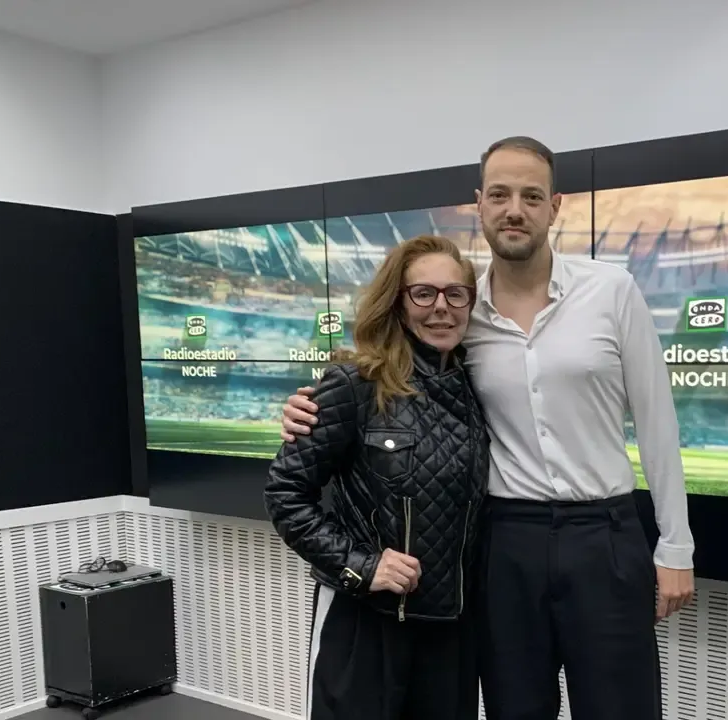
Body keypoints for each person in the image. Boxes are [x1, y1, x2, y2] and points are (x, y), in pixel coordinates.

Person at [280, 136, 695, 720]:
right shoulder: (458, 304)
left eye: (531, 195)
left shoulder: (611, 292)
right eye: (499, 194)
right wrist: (307, 401)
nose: (514, 209)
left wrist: (676, 544)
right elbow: (384, 361)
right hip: (504, 543)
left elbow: (658, 422)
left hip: (604, 535)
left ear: (555, 207)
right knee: (513, 710)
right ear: (480, 205)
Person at [264, 234, 489, 720]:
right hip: (366, 625)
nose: (441, 308)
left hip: (451, 635)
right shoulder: (353, 385)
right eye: (423, 293)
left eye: (456, 293)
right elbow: (285, 494)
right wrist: (362, 567)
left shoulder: (480, 388)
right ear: (398, 303)